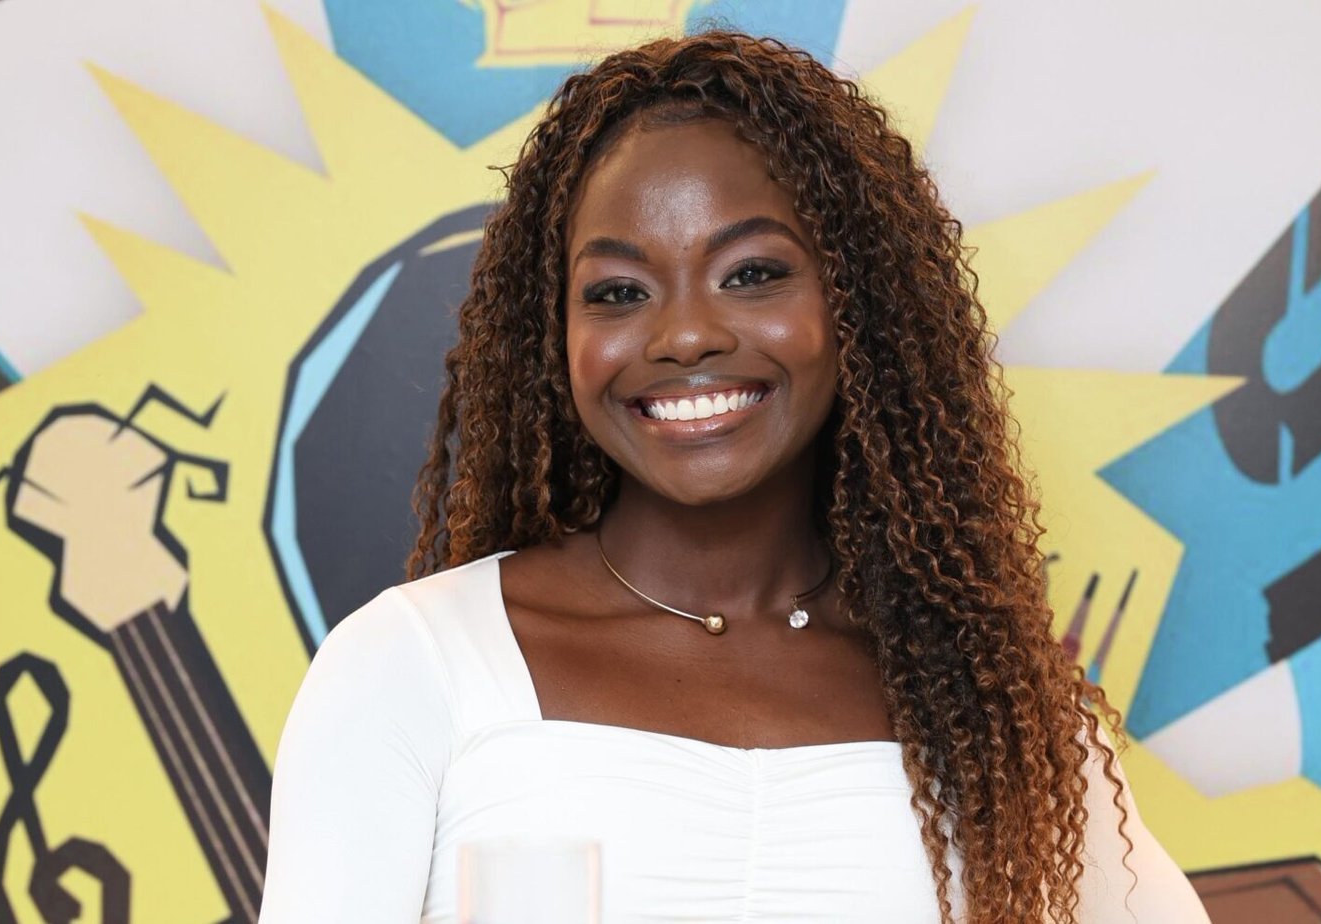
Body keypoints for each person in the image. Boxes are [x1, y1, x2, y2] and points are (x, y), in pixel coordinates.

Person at [257, 30, 1210, 924]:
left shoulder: (991, 709)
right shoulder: (413, 665)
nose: (684, 336)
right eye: (618, 292)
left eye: (751, 273)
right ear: (557, 337)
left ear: (856, 304)